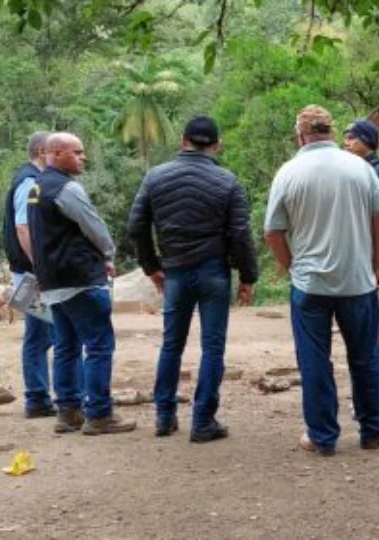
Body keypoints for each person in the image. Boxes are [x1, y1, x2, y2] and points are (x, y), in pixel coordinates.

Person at [264, 105, 379, 456]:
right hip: (357, 280)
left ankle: (321, 436)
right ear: (331, 131)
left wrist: (290, 264)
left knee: (314, 359)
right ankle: (374, 429)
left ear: (300, 135)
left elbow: (272, 230)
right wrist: (375, 266)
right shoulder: (360, 168)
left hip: (310, 284)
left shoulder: (288, 172)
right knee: (365, 356)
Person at [127, 115, 259, 442]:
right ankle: (203, 421)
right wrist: (247, 276)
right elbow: (241, 234)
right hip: (213, 271)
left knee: (171, 344)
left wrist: (150, 265)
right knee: (213, 347)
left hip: (174, 271)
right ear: (217, 145)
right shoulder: (227, 181)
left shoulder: (155, 177)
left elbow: (136, 225)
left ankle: (164, 416)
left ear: (183, 140)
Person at [27, 132, 135, 435]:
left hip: (53, 283)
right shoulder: (66, 188)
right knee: (99, 346)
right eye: (77, 152)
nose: (83, 157)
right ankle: (99, 414)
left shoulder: (37, 188)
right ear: (56, 153)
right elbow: (93, 225)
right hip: (80, 279)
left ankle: (68, 412)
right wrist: (108, 253)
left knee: (65, 348)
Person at [342, 119, 379, 412]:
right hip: (353, 264)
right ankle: (365, 395)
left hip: (378, 264)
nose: (346, 142)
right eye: (344, 137)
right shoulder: (349, 172)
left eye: (352, 138)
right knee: (358, 331)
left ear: (368, 142)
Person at [2, 131, 60, 418]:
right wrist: (40, 267)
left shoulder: (29, 179)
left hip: (29, 270)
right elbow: (24, 228)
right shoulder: (29, 181)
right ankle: (37, 398)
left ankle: (43, 395)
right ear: (41, 151)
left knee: (45, 332)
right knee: (39, 334)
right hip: (31, 273)